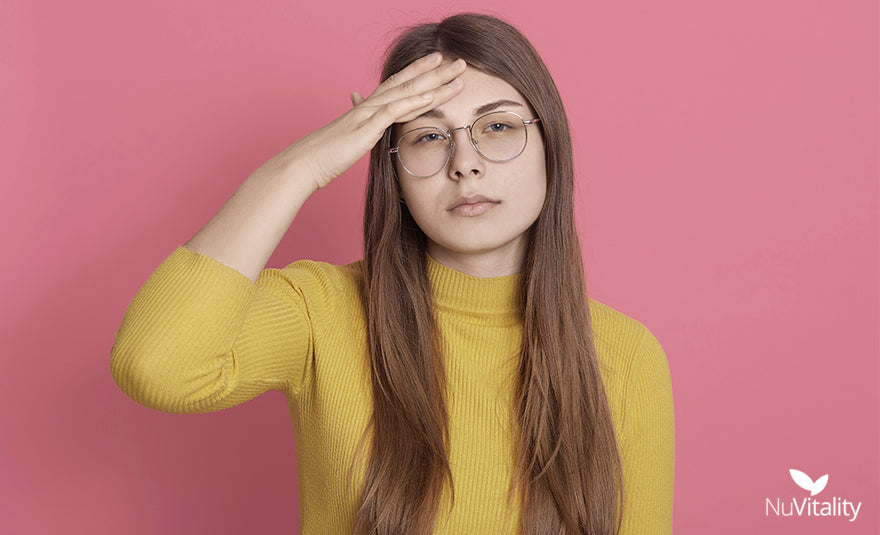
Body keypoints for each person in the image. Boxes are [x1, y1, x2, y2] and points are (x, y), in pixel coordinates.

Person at [110, 12, 674, 535]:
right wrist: (302, 167)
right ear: (394, 176)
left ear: (552, 145)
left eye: (498, 127)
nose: (465, 161)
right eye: (428, 136)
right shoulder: (321, 311)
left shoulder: (623, 355)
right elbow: (156, 366)